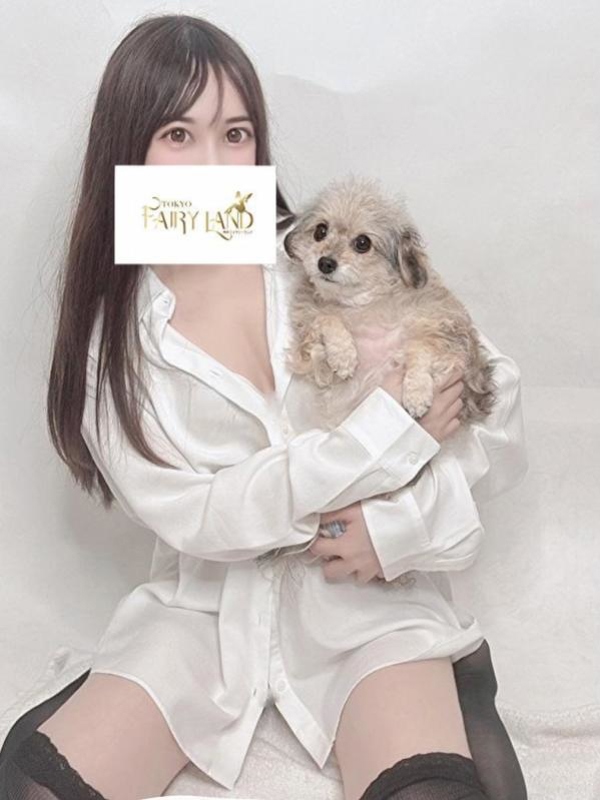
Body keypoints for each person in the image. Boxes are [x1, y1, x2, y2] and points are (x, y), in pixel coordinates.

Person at [0, 13, 530, 800]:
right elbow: (200, 516)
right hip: (204, 612)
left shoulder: (319, 249)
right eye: (178, 135)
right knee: (34, 786)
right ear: (127, 147)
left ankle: (456, 681)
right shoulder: (111, 341)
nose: (214, 163)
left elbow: (493, 398)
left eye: (236, 133)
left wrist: (398, 530)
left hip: (367, 599)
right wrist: (386, 433)